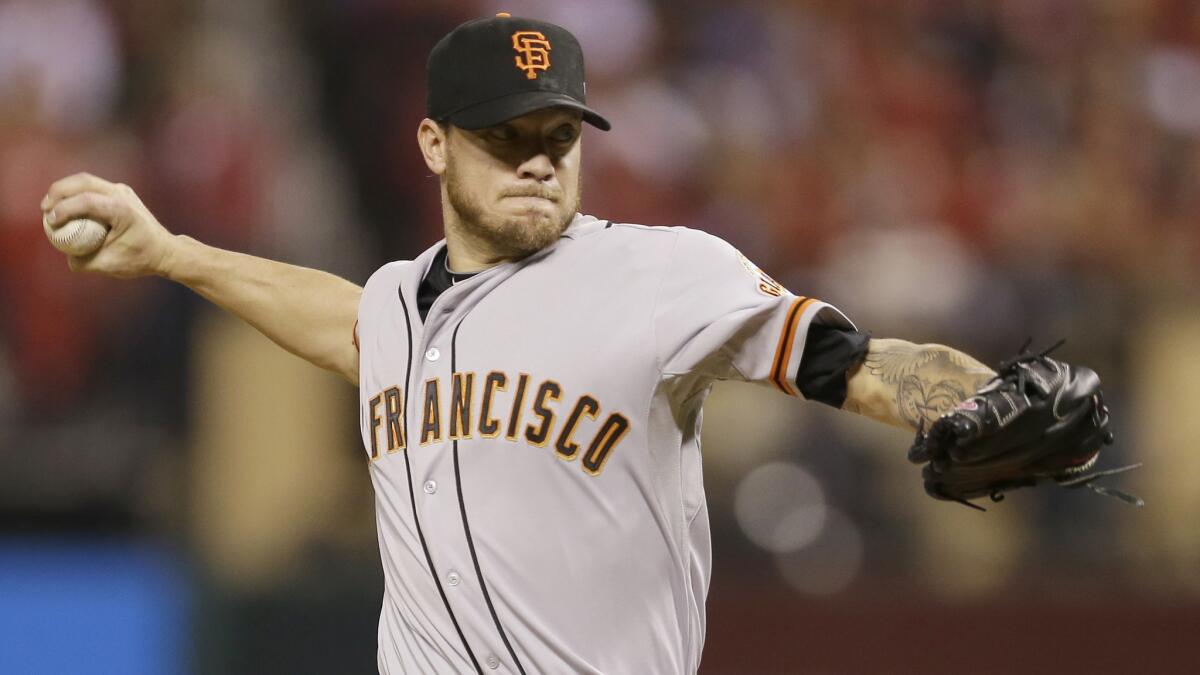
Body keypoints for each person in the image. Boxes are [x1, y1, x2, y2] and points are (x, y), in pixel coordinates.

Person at [43, 14, 1069, 675]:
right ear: (435, 144)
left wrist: (963, 402)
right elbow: (342, 319)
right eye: (506, 137)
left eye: (559, 136)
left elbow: (852, 362)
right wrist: (176, 254)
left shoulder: (663, 272)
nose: (539, 161)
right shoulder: (400, 304)